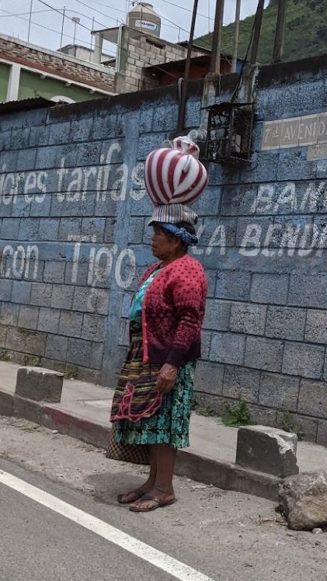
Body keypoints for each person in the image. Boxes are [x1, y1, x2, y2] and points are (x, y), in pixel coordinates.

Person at [110, 204, 208, 513]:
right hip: (147, 355)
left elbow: (190, 322)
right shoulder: (156, 270)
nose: (153, 239)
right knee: (150, 423)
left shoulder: (188, 270)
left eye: (159, 234)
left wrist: (172, 364)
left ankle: (164, 489)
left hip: (168, 360)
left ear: (177, 240)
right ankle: (152, 483)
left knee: (164, 423)